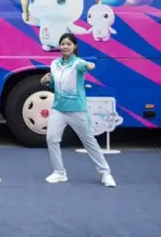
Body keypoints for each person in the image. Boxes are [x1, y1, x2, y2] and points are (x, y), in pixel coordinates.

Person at [40, 32, 116, 187]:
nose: (65, 47)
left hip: (77, 110)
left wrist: (89, 66)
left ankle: (105, 173)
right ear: (59, 46)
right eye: (63, 44)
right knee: (51, 139)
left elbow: (84, 66)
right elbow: (54, 85)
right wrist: (45, 81)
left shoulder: (78, 63)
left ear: (74, 46)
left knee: (89, 141)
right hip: (58, 109)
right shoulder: (54, 64)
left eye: (68, 44)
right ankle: (59, 172)